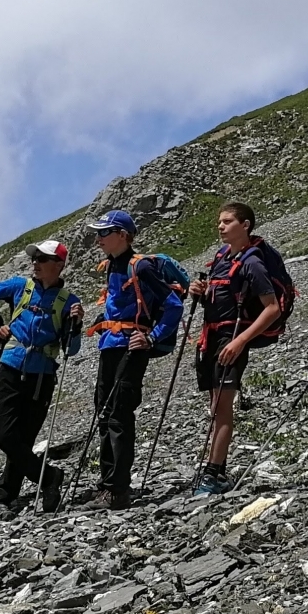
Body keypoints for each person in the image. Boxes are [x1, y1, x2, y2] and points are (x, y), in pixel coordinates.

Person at [0, 241, 83, 517]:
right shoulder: (20, 286)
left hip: (42, 376)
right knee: (5, 435)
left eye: (42, 259)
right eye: (34, 258)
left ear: (58, 265)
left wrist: (76, 325)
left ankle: (3, 497)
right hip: (11, 366)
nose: (34, 263)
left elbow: (72, 349)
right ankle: (49, 478)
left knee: (22, 440)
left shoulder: (69, 302)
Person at [84, 209, 184, 509]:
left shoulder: (139, 268)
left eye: (104, 233)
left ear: (123, 235)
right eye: (97, 233)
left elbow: (173, 304)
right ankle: (108, 484)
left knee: (119, 415)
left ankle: (117, 490)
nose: (98, 238)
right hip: (111, 345)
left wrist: (151, 337)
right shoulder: (113, 266)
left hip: (131, 347)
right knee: (105, 411)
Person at [191, 201, 285, 496]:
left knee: (221, 406)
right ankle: (214, 470)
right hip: (213, 337)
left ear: (245, 225)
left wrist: (240, 341)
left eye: (228, 221)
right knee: (215, 405)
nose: (221, 226)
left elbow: (273, 308)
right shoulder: (221, 257)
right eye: (220, 221)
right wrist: (200, 292)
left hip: (232, 338)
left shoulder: (252, 263)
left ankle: (214, 473)